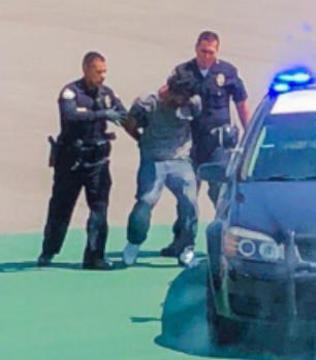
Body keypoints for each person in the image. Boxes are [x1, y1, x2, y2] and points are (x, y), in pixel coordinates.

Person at [160, 30, 250, 257]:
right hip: (189, 142)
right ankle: (181, 241)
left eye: (211, 52)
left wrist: (250, 134)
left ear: (217, 51)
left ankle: (224, 243)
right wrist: (173, 92)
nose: (206, 56)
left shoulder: (227, 72)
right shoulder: (184, 71)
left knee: (220, 193)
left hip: (218, 144)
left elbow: (241, 104)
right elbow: (163, 95)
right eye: (203, 51)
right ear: (196, 48)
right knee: (187, 196)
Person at [37, 51, 126, 270]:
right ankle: (49, 250)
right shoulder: (70, 93)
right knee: (60, 207)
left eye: (105, 71)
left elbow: (122, 113)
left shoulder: (106, 94)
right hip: (71, 160)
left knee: (99, 209)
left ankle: (94, 256)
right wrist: (102, 114)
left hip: (97, 161)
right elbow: (71, 116)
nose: (103, 76)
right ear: (86, 69)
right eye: (98, 71)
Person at [121, 70, 201, 267]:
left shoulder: (193, 103)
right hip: (153, 159)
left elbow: (198, 123)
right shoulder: (147, 103)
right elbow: (129, 123)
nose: (182, 102)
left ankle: (186, 246)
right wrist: (141, 141)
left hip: (180, 159)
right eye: (179, 97)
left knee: (189, 202)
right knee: (146, 201)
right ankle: (134, 242)